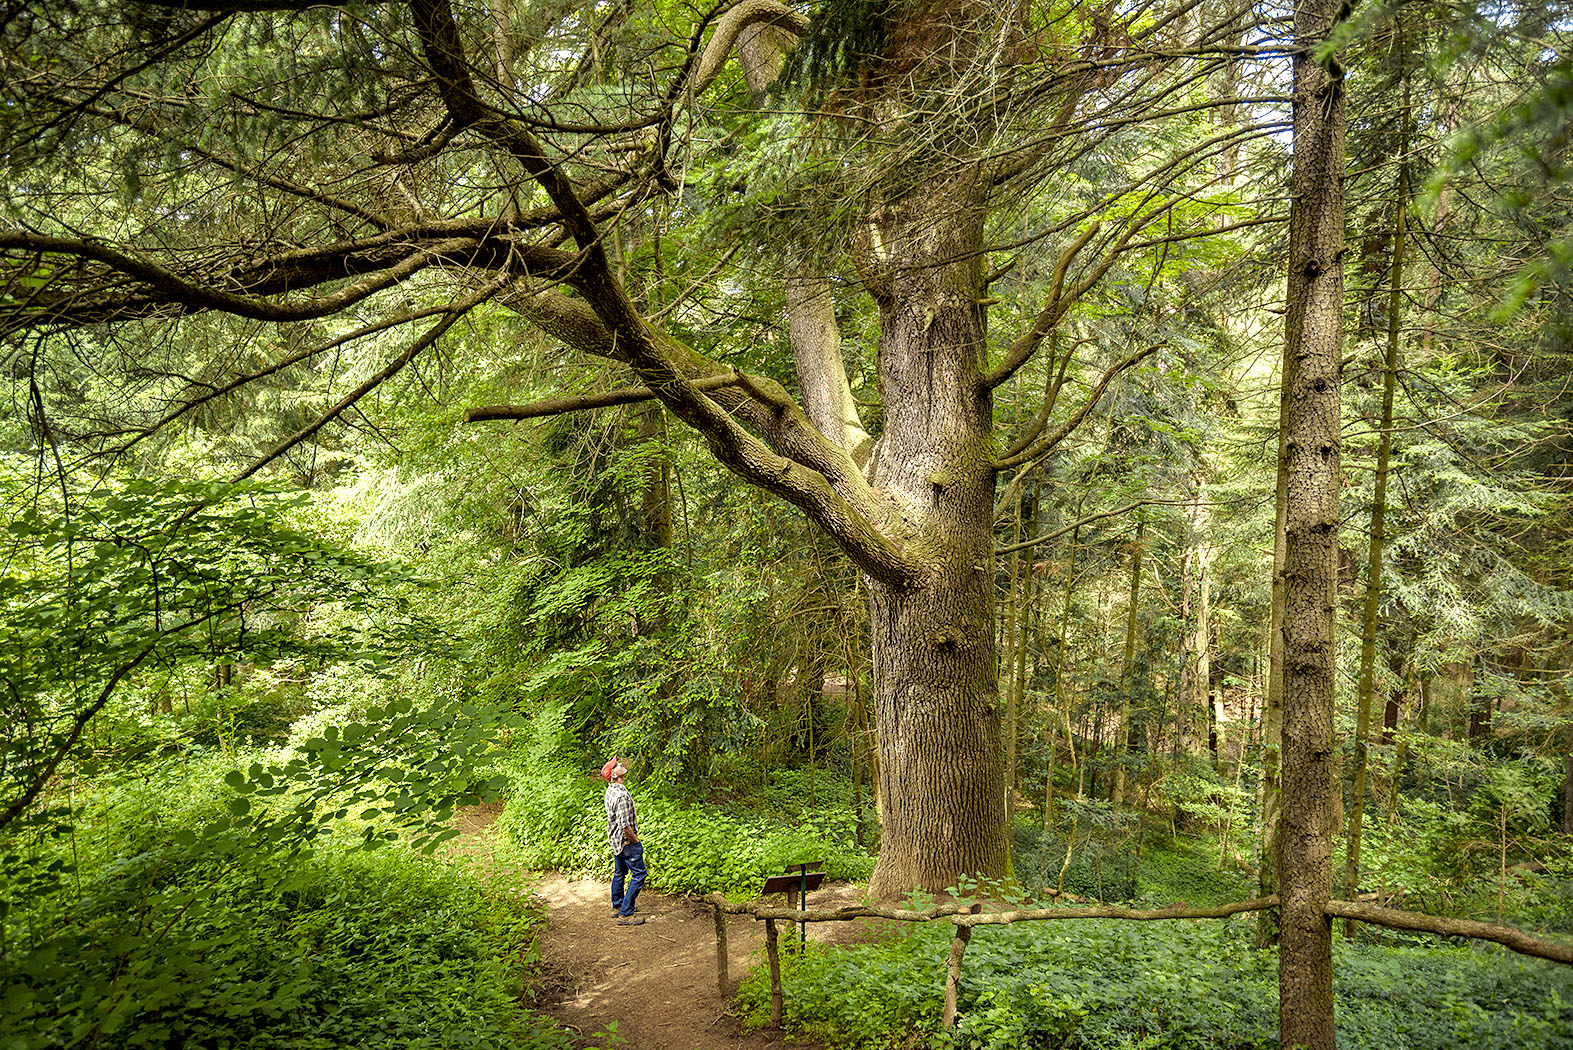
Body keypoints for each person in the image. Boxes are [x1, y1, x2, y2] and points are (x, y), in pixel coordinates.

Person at [601, 756, 645, 926]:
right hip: (626, 843)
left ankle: (617, 907)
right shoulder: (621, 796)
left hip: (615, 841)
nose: (620, 764)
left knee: (619, 873)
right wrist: (635, 841)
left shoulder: (610, 790)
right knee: (639, 874)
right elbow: (624, 825)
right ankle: (626, 914)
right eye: (616, 765)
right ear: (613, 775)